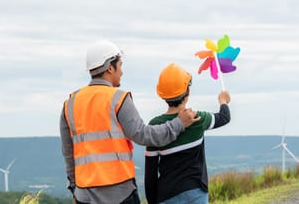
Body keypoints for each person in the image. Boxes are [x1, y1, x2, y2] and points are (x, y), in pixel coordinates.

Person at [60, 41, 201, 204]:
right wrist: (179, 123)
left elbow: (68, 153)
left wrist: (74, 190)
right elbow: (144, 136)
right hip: (121, 195)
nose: (122, 71)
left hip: (84, 196)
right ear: (110, 68)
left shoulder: (70, 103)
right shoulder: (118, 99)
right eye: (120, 65)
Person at [144, 63, 231, 204]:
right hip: (196, 192)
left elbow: (150, 172)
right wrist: (223, 101)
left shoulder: (155, 126)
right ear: (187, 93)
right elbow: (224, 117)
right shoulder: (198, 119)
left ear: (161, 94)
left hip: (167, 194)